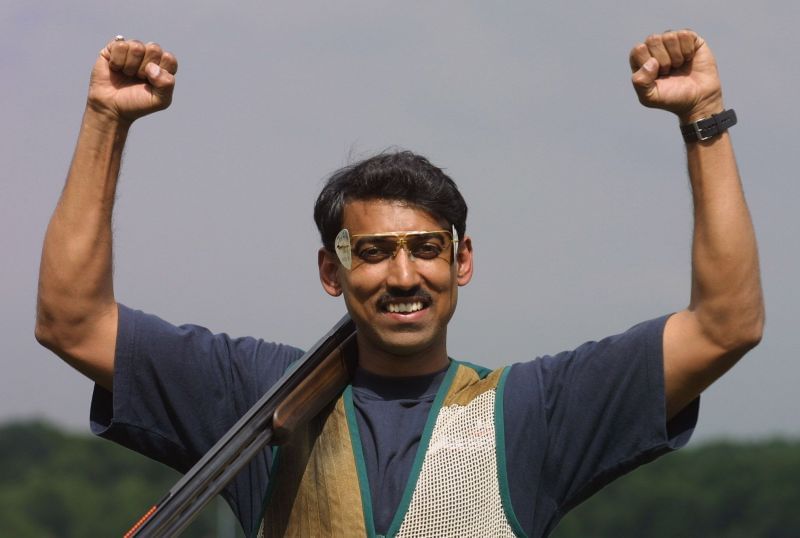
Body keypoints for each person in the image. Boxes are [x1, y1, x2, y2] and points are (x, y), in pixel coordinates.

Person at [36, 29, 763, 537]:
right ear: (333, 270)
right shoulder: (254, 394)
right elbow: (71, 321)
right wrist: (106, 119)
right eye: (376, 252)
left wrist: (702, 117)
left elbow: (726, 325)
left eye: (426, 249)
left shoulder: (536, 411)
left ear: (463, 262)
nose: (405, 275)